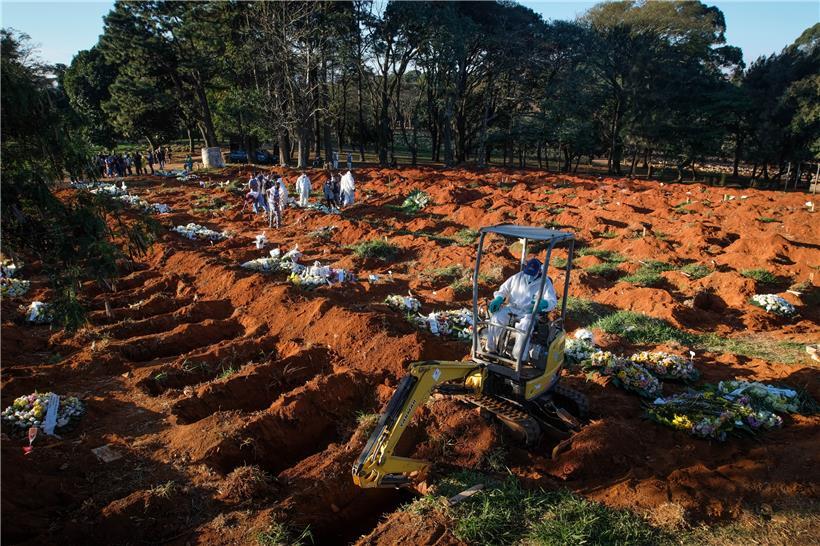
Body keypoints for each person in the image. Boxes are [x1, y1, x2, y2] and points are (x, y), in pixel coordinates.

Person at [486, 258, 557, 360]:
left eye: (532, 273)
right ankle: (490, 350)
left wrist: (544, 304)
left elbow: (552, 301)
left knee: (525, 326)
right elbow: (504, 289)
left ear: (539, 271)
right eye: (528, 272)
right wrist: (499, 298)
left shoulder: (545, 282)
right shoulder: (518, 277)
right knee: (497, 318)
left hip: (529, 312)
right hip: (512, 308)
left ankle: (517, 357)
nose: (529, 275)